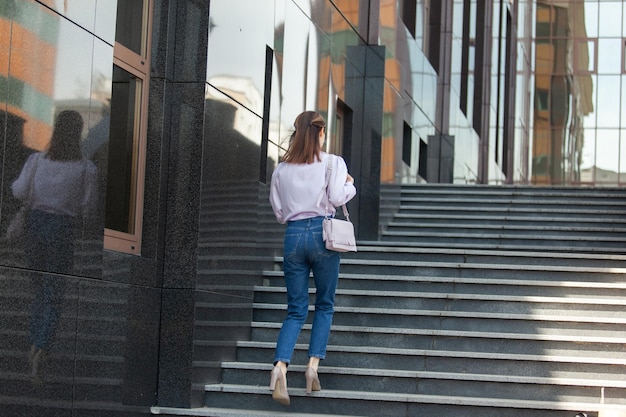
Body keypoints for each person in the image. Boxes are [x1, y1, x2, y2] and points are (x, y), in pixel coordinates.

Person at [268, 111, 356, 405]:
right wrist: (350, 184)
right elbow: (337, 196)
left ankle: (280, 367)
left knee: (296, 309)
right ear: (320, 133)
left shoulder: (281, 169)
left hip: (293, 236)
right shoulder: (333, 162)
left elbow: (279, 213)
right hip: (322, 234)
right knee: (325, 304)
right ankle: (312, 368)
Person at [12, 110, 98, 382]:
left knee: (39, 289)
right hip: (63, 229)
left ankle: (34, 341)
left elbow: (19, 191)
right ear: (79, 133)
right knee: (54, 290)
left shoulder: (37, 160)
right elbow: (89, 207)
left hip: (35, 226)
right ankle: (42, 344)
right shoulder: (86, 168)